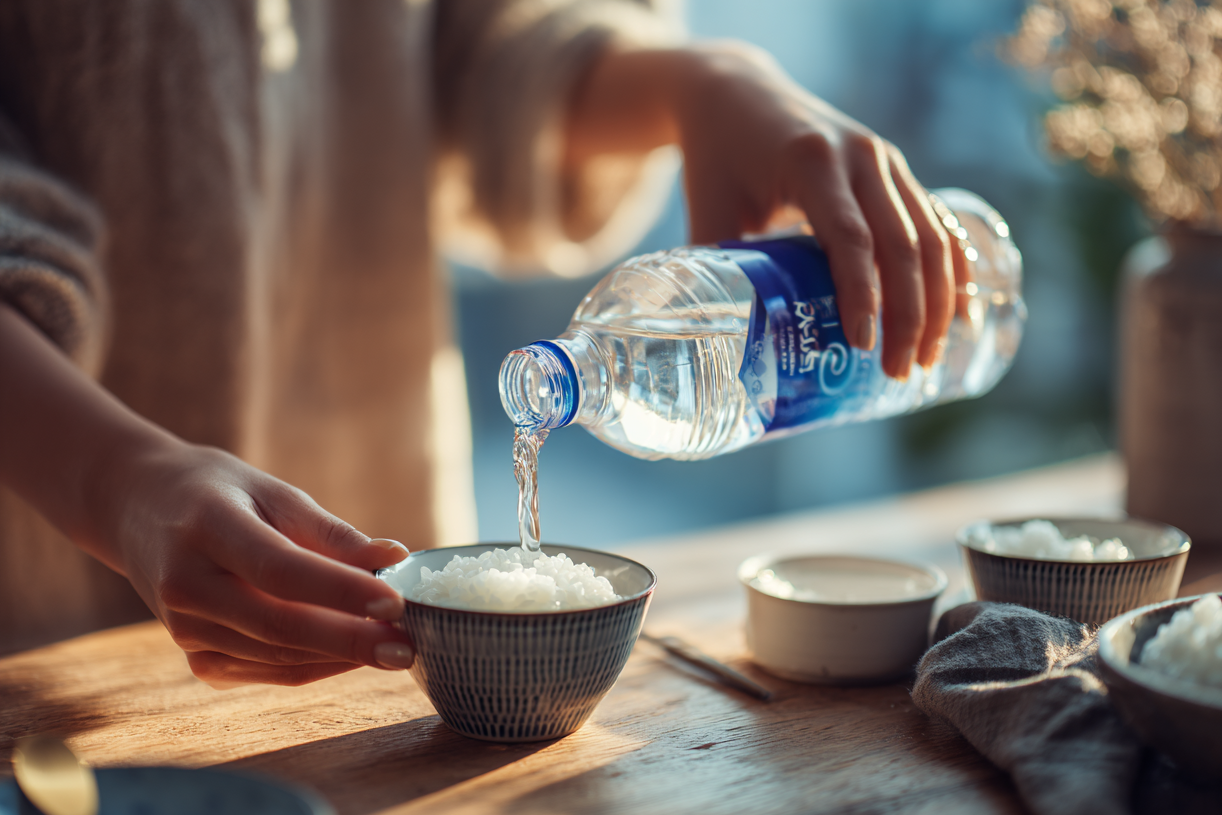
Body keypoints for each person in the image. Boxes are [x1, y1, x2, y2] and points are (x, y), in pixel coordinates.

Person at [0, 0, 957, 686]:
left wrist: (699, 79)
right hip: (46, 620)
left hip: (378, 588)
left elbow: (477, 47)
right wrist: (111, 483)